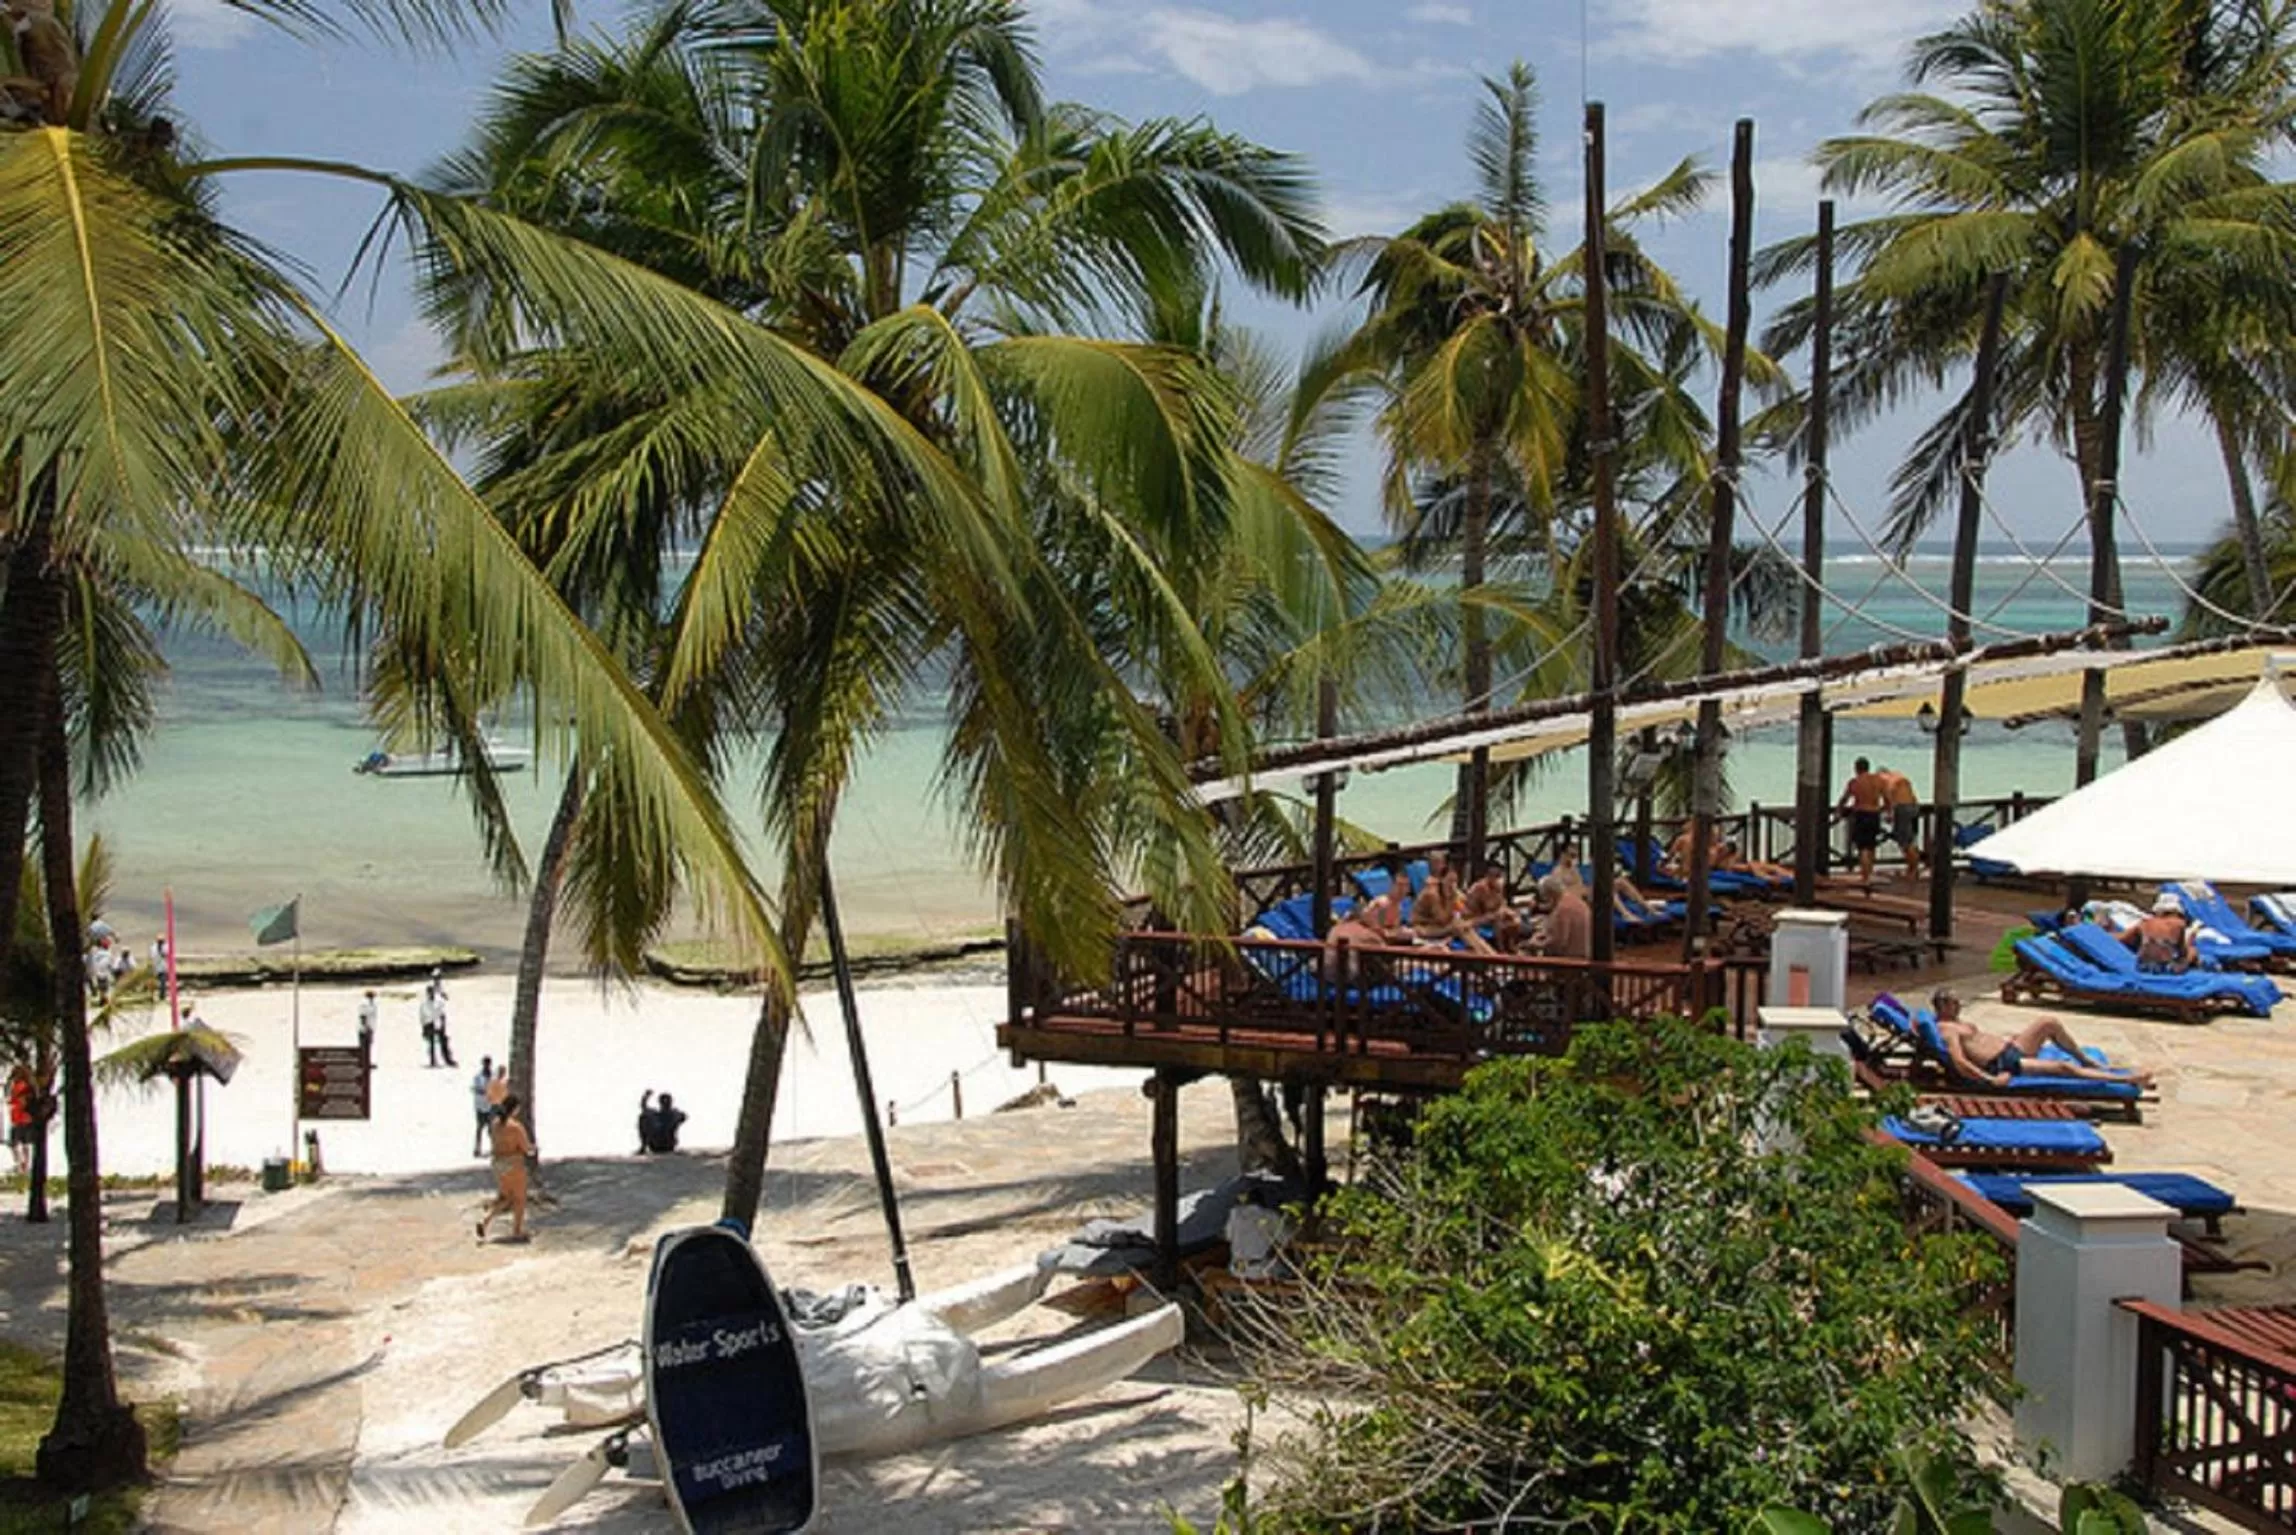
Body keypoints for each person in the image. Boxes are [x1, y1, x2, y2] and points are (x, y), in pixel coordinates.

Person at [1929, 988, 2155, 1089]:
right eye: (1954, 1002)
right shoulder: (1946, 1030)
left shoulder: (1958, 1022)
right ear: (1943, 1006)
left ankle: (2085, 1060)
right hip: (2003, 1064)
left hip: (2011, 1048)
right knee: (2063, 1067)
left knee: (2049, 1022)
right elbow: (1960, 1062)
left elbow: (1980, 1041)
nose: (1959, 1005)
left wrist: (2008, 1039)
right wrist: (1990, 1080)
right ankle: (2126, 1080)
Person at [477, 1094, 534, 1243]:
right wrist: (532, 1149)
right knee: (519, 1199)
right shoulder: (515, 1127)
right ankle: (517, 1230)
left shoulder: (495, 1124)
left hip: (498, 1163)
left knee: (505, 1197)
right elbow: (525, 1147)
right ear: (514, 1109)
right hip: (513, 1164)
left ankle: (485, 1221)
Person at [1838, 758, 1889, 884]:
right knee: (1871, 845)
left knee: (1863, 847)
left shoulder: (1855, 782)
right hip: (1874, 814)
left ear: (1856, 768)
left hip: (1861, 814)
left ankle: (1865, 877)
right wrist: (1887, 811)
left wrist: (1839, 811)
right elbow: (1887, 799)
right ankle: (1869, 873)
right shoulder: (1878, 781)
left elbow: (1844, 799)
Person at [2121, 893, 2199, 973]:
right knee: (2192, 951)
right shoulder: (2179, 923)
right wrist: (2190, 946)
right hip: (2165, 968)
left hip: (2142, 967)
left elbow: (2122, 938)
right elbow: (2182, 952)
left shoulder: (2145, 922)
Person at [1460, 863, 1523, 950]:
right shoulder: (1479, 888)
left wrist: (1510, 913)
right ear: (1489, 876)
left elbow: (1501, 905)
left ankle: (1512, 945)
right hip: (1475, 918)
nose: (1499, 879)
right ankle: (1501, 950)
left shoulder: (1498, 888)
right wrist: (1494, 915)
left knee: (1515, 920)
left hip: (1493, 916)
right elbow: (1472, 912)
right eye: (1496, 876)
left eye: (1500, 876)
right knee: (1498, 921)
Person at [1534, 872, 1592, 960]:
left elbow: (1558, 943)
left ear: (1550, 894)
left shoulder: (1563, 909)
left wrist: (1536, 944)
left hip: (1570, 960)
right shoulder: (1575, 901)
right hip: (1584, 954)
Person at [1880, 765, 1923, 881]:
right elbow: (1912, 796)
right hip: (1914, 807)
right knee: (1910, 839)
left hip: (1901, 808)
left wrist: (1889, 814)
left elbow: (1888, 798)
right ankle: (1912, 869)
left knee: (1905, 841)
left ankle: (1913, 870)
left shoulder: (1884, 780)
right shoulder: (1900, 777)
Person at [7, 1065, 34, 1176]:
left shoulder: (21, 1086)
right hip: (21, 1119)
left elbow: (18, 1101)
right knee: (23, 1144)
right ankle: (23, 1165)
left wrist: (13, 1102)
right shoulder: (21, 1086)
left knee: (17, 1143)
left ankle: (22, 1165)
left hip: (21, 1119)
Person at [470, 1056, 495, 1157]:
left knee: (491, 1129)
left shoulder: (493, 1077)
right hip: (480, 1105)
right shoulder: (478, 1077)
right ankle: (477, 1148)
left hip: (491, 1105)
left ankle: (494, 1147)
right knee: (480, 1127)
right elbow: (476, 1089)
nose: (487, 1066)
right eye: (485, 1064)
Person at [357, 989, 378, 1062]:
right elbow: (363, 1017)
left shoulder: (373, 1005)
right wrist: (366, 1028)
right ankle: (364, 1061)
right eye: (372, 997)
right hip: (364, 1030)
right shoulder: (364, 1005)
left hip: (370, 1029)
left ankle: (367, 1060)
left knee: (369, 1046)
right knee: (364, 1047)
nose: (373, 998)